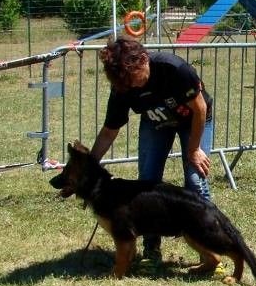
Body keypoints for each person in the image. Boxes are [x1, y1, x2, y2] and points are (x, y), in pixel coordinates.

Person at [91, 35, 214, 271]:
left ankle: (209, 250)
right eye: (125, 83)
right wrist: (90, 166)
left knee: (195, 180)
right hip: (156, 123)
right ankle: (151, 249)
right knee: (147, 182)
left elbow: (200, 108)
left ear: (144, 60)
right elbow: (109, 131)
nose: (133, 87)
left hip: (194, 120)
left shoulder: (174, 69)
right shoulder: (122, 87)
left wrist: (194, 149)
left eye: (134, 79)